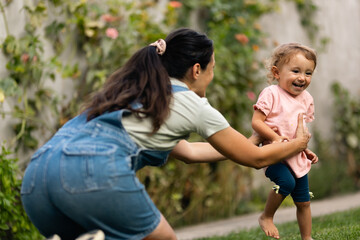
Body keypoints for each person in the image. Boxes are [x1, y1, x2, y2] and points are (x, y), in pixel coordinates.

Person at [21, 28, 311, 240]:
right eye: (212, 69)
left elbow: (189, 152)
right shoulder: (191, 103)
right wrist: (298, 143)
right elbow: (257, 160)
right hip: (91, 171)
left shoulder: (135, 89)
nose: (212, 75)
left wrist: (249, 141)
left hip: (37, 178)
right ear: (197, 69)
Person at [252, 43, 319, 240]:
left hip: (296, 156)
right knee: (286, 182)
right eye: (296, 71)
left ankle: (307, 237)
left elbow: (300, 131)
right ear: (277, 72)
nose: (302, 77)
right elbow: (256, 122)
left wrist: (306, 151)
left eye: (308, 73)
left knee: (304, 202)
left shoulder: (306, 99)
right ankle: (266, 216)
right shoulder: (271, 94)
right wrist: (274, 137)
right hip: (274, 155)